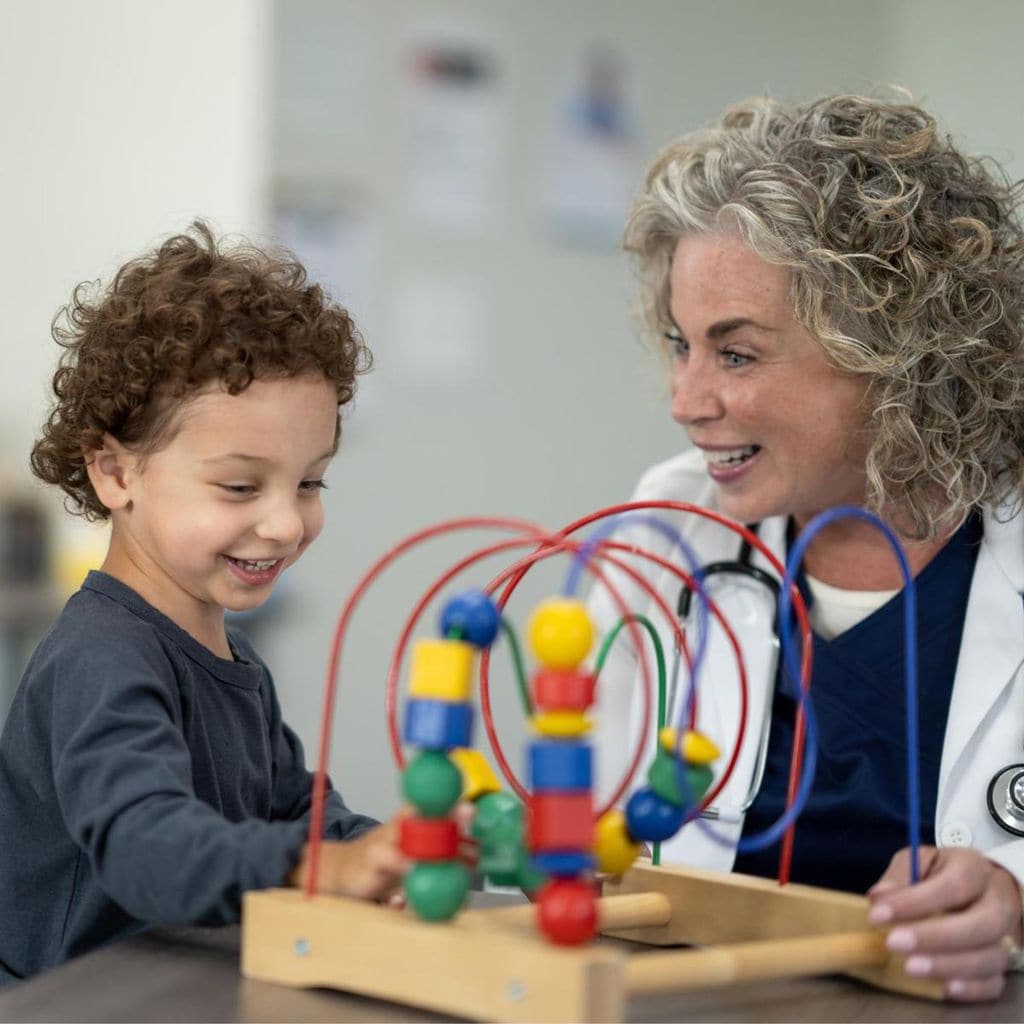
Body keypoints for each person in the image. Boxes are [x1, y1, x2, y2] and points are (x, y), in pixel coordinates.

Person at [590, 94, 1024, 1002]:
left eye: (736, 356)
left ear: (896, 351)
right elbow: (604, 842)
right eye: (681, 346)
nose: (686, 399)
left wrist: (1013, 900)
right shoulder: (662, 537)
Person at [0, 222, 407, 985]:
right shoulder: (99, 659)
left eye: (310, 482)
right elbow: (148, 849)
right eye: (241, 486)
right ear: (116, 473)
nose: (287, 523)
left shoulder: (232, 658)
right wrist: (319, 867)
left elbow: (292, 810)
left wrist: (398, 854)